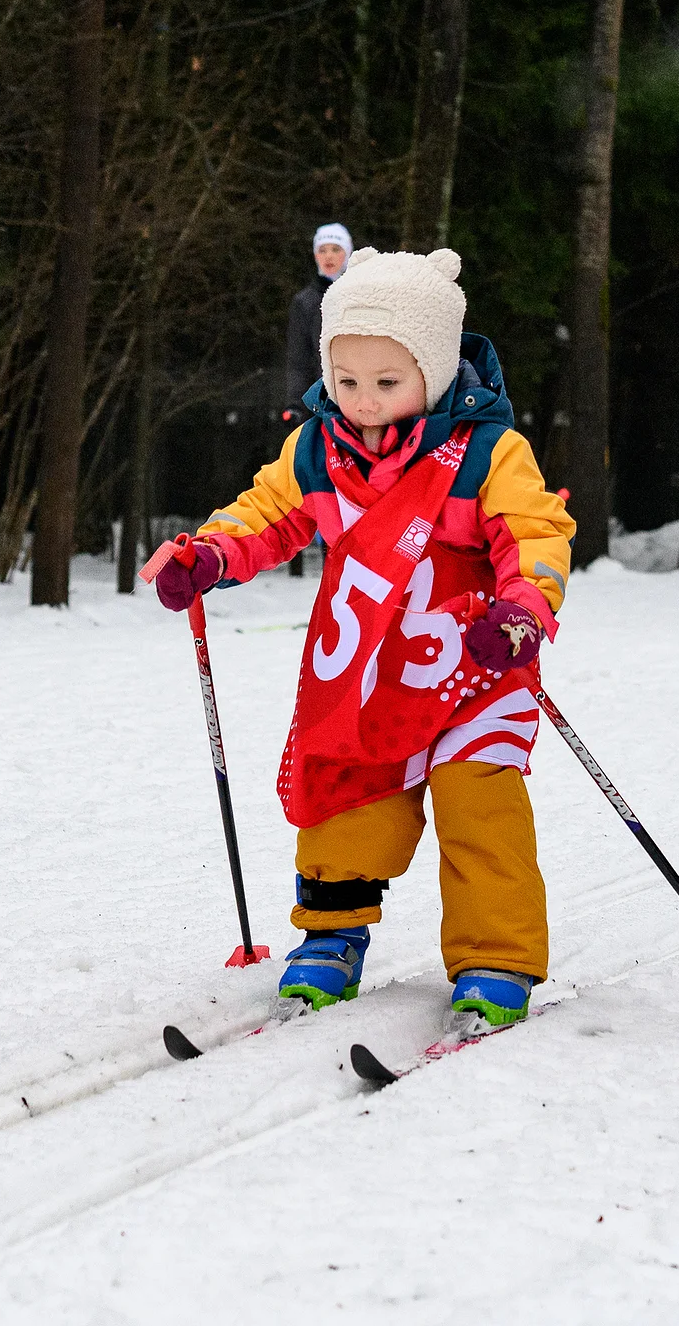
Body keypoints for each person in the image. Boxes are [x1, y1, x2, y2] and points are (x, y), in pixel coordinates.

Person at [154, 247, 576, 1036]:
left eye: (387, 382)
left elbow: (534, 534)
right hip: (367, 671)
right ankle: (330, 936)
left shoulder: (487, 453)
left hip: (474, 671)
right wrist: (208, 554)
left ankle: (495, 957)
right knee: (343, 796)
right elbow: (265, 514)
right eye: (345, 381)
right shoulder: (317, 450)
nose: (363, 401)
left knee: (479, 806)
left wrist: (522, 608)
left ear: (435, 372)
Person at [285, 222, 353, 405]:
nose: (328, 256)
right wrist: (295, 404)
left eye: (336, 249)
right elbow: (298, 359)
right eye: (322, 250)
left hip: (356, 395)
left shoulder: (359, 295)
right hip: (320, 399)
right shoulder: (304, 302)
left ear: (348, 253)